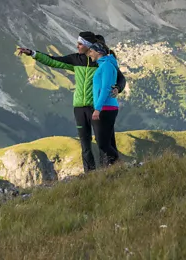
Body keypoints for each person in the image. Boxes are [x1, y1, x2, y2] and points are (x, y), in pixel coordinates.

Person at [17, 31, 122, 172]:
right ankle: (90, 175)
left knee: (103, 142)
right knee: (85, 145)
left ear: (89, 46)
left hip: (96, 106)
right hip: (79, 107)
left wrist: (118, 88)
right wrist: (32, 53)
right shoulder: (76, 60)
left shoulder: (101, 62)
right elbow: (53, 61)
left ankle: (108, 171)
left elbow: (120, 77)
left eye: (80, 44)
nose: (77, 46)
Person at [85, 40, 120, 166]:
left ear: (98, 52)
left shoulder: (106, 66)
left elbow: (105, 88)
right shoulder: (105, 65)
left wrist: (98, 109)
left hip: (106, 108)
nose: (89, 54)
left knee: (103, 144)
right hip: (107, 107)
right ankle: (116, 167)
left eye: (91, 51)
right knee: (106, 142)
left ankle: (118, 164)